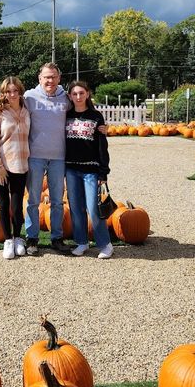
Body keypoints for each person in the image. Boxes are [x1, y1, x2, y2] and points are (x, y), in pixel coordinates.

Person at [22, 63, 71, 255]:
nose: (49, 80)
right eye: (46, 77)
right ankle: (32, 238)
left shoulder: (65, 98)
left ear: (59, 78)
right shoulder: (29, 97)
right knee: (34, 200)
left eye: (53, 77)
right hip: (35, 156)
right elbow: (12, 110)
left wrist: (100, 125)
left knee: (58, 201)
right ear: (39, 78)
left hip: (59, 157)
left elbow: (83, 110)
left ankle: (56, 238)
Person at [64, 81, 113, 259]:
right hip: (70, 169)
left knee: (94, 209)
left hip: (91, 170)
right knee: (76, 208)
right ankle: (82, 242)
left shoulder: (96, 117)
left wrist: (103, 172)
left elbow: (102, 146)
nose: (78, 97)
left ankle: (105, 244)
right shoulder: (66, 116)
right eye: (74, 94)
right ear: (69, 96)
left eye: (81, 93)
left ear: (87, 94)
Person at [0, 77, 31, 260]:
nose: (12, 95)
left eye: (15, 91)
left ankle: (18, 237)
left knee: (17, 204)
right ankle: (7, 240)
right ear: (3, 93)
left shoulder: (27, 111)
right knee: (4, 204)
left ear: (20, 91)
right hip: (2, 166)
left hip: (21, 164)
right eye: (7, 92)